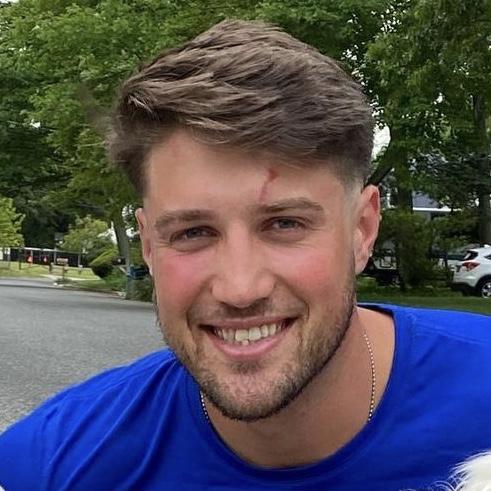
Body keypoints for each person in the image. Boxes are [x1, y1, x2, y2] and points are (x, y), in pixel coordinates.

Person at [1, 19, 490, 491]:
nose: (239, 289)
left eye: (285, 224)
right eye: (193, 232)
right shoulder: (48, 469)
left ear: (362, 230)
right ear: (148, 245)